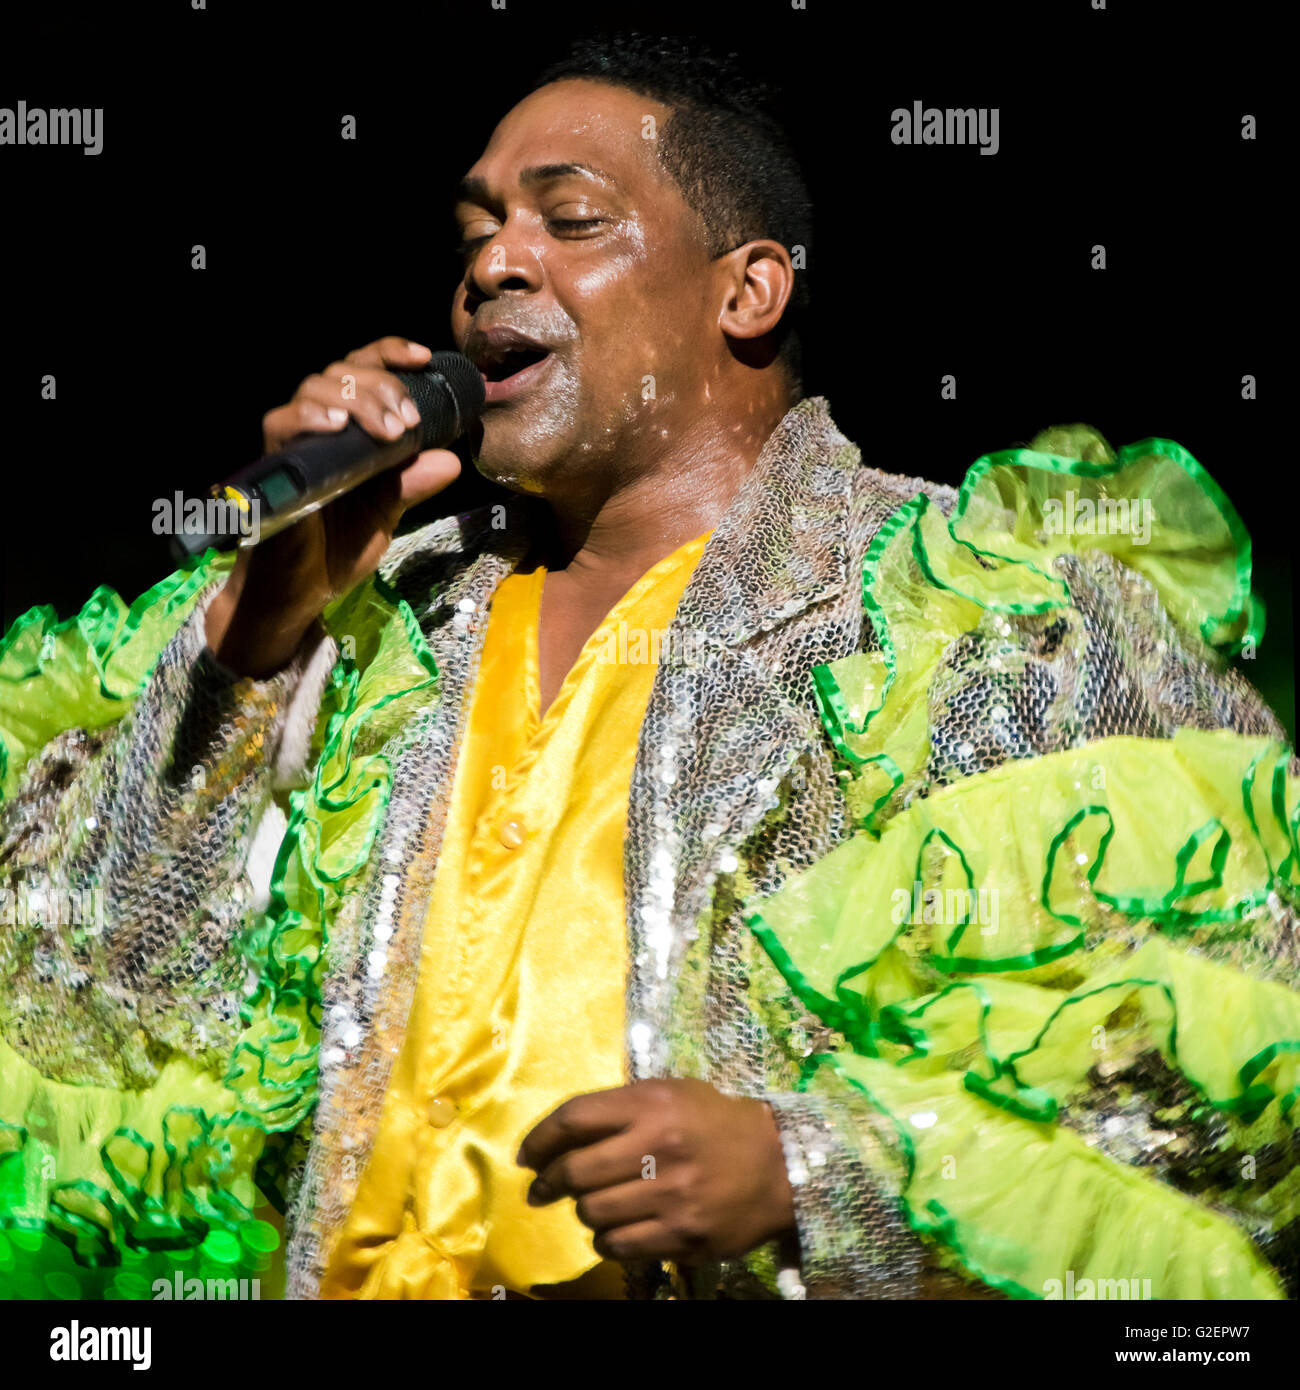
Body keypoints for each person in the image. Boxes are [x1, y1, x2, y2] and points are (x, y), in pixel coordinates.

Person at [1, 34, 1297, 1302]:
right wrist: (258, 633)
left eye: (570, 220)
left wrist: (812, 1174)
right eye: (474, 237)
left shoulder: (970, 611)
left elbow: (1234, 1055)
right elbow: (96, 1016)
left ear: (749, 291)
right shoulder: (372, 611)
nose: (492, 265)